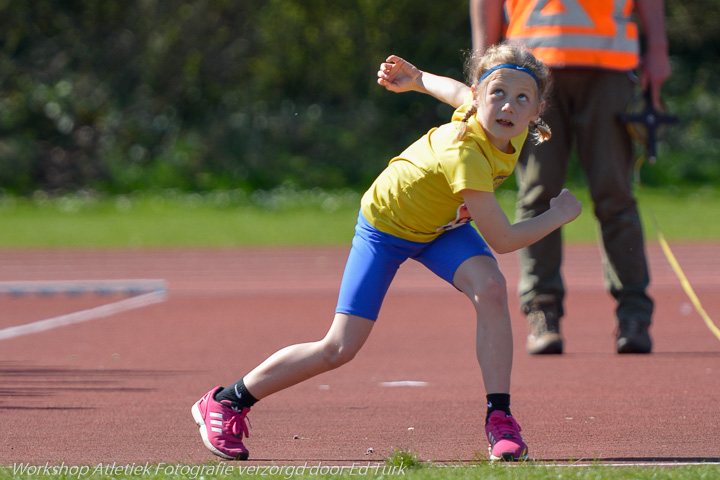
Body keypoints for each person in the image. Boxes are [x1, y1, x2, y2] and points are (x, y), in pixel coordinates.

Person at [191, 43, 581, 462]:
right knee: (339, 348)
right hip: (386, 228)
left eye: (522, 98)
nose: (508, 105)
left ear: (537, 108)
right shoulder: (466, 152)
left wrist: (417, 79)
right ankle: (228, 400)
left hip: (440, 227)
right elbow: (502, 240)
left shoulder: (504, 121)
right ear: (481, 93)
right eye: (498, 94)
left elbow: (451, 90)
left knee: (490, 288)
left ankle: (500, 419)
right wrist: (558, 213)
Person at [470, 0, 671, 355]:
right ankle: (541, 311)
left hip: (609, 65)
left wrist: (657, 47)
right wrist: (484, 61)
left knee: (615, 194)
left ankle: (634, 316)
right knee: (537, 193)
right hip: (529, 67)